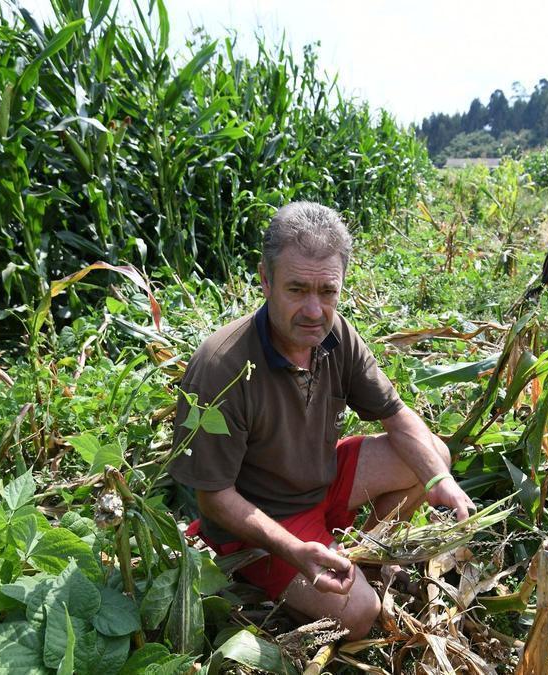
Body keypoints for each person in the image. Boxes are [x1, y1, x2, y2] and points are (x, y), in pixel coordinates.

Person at [170, 202, 475, 639]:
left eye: (327, 292)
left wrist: (439, 482)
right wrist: (294, 549)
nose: (314, 310)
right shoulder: (221, 367)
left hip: (320, 482)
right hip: (263, 521)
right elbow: (214, 498)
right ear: (265, 280)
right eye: (296, 290)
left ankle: (363, 555)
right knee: (359, 615)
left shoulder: (336, 335)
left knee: (434, 456)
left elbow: (396, 415)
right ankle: (312, 569)